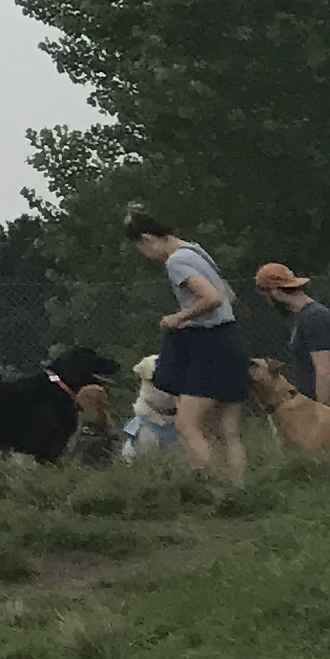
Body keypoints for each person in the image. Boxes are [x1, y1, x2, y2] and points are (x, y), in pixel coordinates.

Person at [128, 207, 246, 485]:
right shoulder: (197, 251)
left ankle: (210, 488)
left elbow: (212, 297)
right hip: (231, 339)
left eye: (142, 249)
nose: (148, 256)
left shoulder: (176, 262)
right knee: (226, 431)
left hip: (209, 346)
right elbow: (229, 295)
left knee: (186, 424)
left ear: (148, 239)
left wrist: (179, 317)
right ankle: (239, 490)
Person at [258, 264, 330, 411]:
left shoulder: (315, 318)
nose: (269, 302)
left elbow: (326, 373)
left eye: (267, 297)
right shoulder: (303, 317)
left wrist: (320, 415)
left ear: (275, 292)